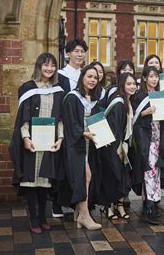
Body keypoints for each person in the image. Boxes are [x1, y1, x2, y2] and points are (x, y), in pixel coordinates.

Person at [9, 53, 65, 234]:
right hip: (33, 141)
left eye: (53, 65)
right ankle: (33, 218)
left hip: (49, 142)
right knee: (31, 183)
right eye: (46, 65)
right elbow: (23, 118)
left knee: (45, 183)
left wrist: (60, 138)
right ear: (39, 66)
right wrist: (25, 138)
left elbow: (60, 119)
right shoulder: (28, 88)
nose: (49, 69)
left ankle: (43, 216)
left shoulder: (57, 90)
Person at [61, 64, 102, 230]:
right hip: (76, 143)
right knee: (84, 175)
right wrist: (83, 133)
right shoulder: (72, 97)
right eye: (89, 76)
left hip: (87, 144)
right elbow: (70, 122)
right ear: (82, 78)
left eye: (95, 78)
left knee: (86, 176)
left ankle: (79, 212)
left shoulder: (91, 99)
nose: (92, 80)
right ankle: (84, 215)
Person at [90, 73, 136, 220]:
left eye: (134, 83)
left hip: (119, 145)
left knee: (120, 176)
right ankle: (108, 206)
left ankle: (117, 205)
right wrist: (119, 149)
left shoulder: (126, 102)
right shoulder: (119, 104)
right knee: (112, 176)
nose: (132, 86)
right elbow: (115, 128)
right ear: (122, 85)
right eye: (128, 84)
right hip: (112, 146)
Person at [131, 66, 164, 224]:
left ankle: (151, 201)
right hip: (145, 138)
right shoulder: (139, 96)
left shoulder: (160, 95)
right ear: (145, 78)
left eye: (156, 76)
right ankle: (149, 204)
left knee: (155, 170)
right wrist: (144, 113)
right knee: (150, 170)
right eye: (151, 76)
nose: (154, 79)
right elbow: (133, 117)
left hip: (159, 137)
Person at [54, 38, 88, 217]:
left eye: (82, 51)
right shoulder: (60, 76)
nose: (80, 54)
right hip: (66, 126)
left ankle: (76, 202)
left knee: (80, 166)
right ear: (68, 54)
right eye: (76, 51)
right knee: (63, 164)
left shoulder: (86, 75)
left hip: (82, 127)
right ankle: (58, 203)